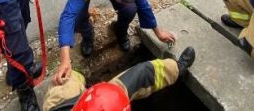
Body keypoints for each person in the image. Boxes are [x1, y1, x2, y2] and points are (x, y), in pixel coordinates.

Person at [54, 0, 177, 85]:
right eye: (122, 0)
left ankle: (120, 30)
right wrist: (65, 60)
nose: (125, 2)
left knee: (130, 9)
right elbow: (68, 14)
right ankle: (88, 34)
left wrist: (159, 33)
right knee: (78, 17)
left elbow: (144, 7)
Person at [44, 47, 196, 110]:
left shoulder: (58, 99)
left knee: (68, 79)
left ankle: (176, 68)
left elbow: (142, 75)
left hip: (66, 103)